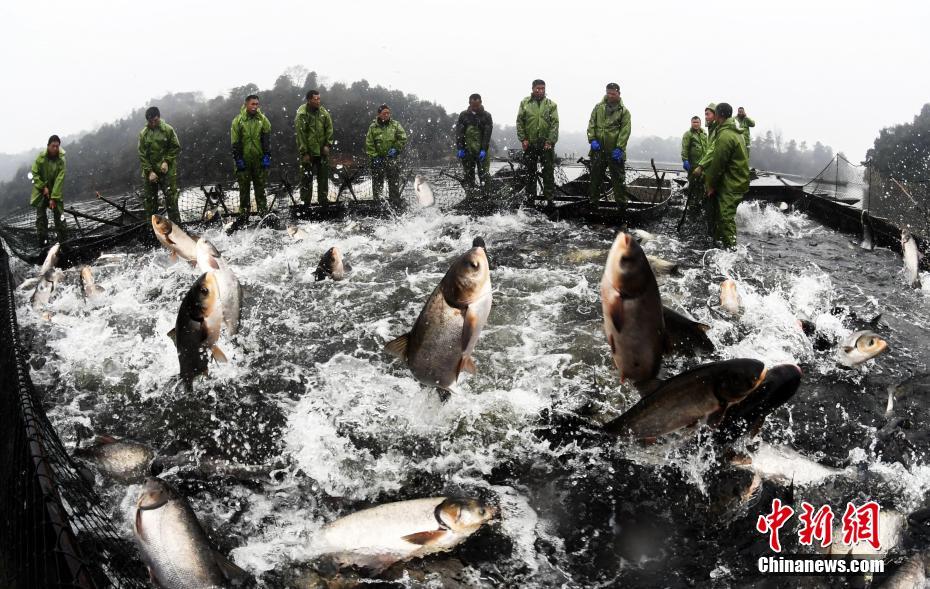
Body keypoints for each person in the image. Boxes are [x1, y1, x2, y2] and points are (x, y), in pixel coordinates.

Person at [702, 103, 749, 248]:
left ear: (719, 115)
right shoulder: (732, 131)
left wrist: (710, 185)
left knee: (725, 217)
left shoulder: (726, 135)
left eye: (714, 113)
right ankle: (719, 244)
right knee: (721, 215)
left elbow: (718, 164)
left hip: (732, 183)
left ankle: (731, 252)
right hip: (734, 181)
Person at [587, 82, 631, 207]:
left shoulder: (624, 112)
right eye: (608, 93)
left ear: (619, 93)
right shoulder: (598, 108)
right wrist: (592, 139)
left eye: (613, 93)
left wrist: (619, 147)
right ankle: (593, 206)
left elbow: (625, 131)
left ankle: (622, 210)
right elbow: (591, 124)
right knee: (595, 180)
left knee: (619, 182)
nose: (610, 96)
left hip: (615, 153)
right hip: (598, 151)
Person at [516, 79, 559, 207]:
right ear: (533, 89)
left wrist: (550, 141)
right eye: (538, 88)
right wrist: (523, 139)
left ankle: (550, 199)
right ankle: (530, 199)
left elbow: (555, 124)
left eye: (542, 88)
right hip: (530, 144)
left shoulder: (551, 105)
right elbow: (520, 122)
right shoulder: (525, 103)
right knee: (530, 172)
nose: (540, 91)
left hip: (546, 144)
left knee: (548, 173)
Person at [230, 94, 272, 220]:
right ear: (246, 104)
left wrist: (267, 155)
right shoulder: (238, 121)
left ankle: (264, 215)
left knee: (261, 190)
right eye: (252, 104)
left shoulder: (263, 120)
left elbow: (266, 139)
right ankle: (243, 217)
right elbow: (235, 142)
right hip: (244, 160)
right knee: (244, 191)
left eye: (257, 104)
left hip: (259, 161)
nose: (255, 107)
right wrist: (238, 159)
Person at [138, 106, 182, 222]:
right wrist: (149, 171)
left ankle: (176, 228)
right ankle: (153, 232)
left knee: (171, 199)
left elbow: (175, 147)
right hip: (150, 172)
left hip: (166, 171)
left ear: (159, 117)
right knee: (150, 202)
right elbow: (142, 155)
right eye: (150, 121)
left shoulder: (168, 129)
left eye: (155, 120)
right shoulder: (143, 134)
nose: (153, 123)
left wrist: (166, 161)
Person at [295, 90, 334, 206]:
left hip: (322, 151)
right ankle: (305, 203)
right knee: (306, 179)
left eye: (319, 99)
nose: (318, 101)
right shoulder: (302, 114)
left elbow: (329, 129)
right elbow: (300, 135)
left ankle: (323, 200)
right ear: (309, 100)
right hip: (308, 152)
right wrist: (304, 152)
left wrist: (328, 144)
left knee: (323, 178)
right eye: (315, 99)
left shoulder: (323, 112)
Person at [365, 104, 408, 206]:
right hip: (377, 160)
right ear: (379, 114)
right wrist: (374, 156)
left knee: (393, 183)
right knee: (377, 184)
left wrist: (396, 149)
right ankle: (378, 205)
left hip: (391, 159)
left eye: (388, 113)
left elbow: (403, 138)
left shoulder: (395, 125)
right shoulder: (373, 127)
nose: (387, 115)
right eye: (384, 113)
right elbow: (369, 143)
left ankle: (395, 204)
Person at [30, 135, 68, 244]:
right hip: (41, 192)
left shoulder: (61, 159)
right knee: (41, 219)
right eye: (53, 146)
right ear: (48, 146)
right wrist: (42, 186)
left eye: (57, 146)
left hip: (56, 192)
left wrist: (53, 198)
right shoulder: (40, 157)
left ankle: (63, 244)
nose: (55, 148)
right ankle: (43, 243)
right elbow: (34, 173)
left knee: (60, 218)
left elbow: (60, 179)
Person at [454, 93, 493, 196]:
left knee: (484, 174)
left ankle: (487, 195)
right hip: (467, 150)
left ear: (480, 103)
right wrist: (460, 148)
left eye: (477, 105)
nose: (475, 108)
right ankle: (470, 195)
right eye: (473, 105)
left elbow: (487, 135)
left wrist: (484, 149)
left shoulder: (487, 116)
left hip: (482, 151)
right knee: (468, 175)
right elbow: (459, 133)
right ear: (469, 103)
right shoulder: (463, 115)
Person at [680, 115, 708, 219]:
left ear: (700, 123)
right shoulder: (688, 134)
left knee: (702, 187)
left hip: (704, 166)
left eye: (697, 122)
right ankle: (691, 210)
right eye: (694, 122)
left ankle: (700, 208)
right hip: (693, 166)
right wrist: (685, 160)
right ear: (691, 123)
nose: (695, 124)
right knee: (693, 188)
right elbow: (685, 148)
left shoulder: (704, 134)